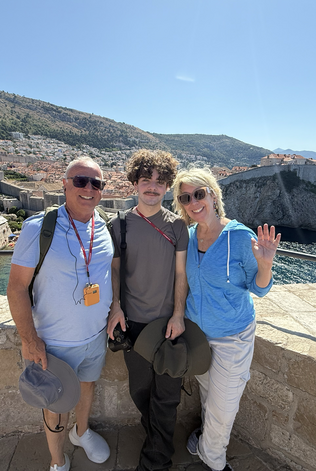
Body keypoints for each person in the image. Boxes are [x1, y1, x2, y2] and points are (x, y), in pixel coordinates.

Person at [7, 156, 113, 471]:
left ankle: (82, 433)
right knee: (54, 405)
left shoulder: (103, 225)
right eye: (80, 181)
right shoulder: (39, 228)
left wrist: (116, 306)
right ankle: (57, 460)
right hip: (52, 342)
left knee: (87, 387)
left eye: (96, 183)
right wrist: (29, 340)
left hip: (95, 336)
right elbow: (16, 288)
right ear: (65, 185)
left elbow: (110, 273)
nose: (88, 188)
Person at [172, 167, 280, 471]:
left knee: (224, 407)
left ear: (213, 195)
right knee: (209, 397)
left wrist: (265, 265)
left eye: (199, 194)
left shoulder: (239, 236)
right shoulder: (189, 237)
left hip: (233, 336)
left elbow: (259, 289)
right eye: (185, 197)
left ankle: (214, 460)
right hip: (197, 337)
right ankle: (204, 439)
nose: (194, 202)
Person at [106, 149, 189, 471]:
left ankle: (155, 462)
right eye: (146, 180)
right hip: (133, 324)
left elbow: (181, 274)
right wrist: (115, 307)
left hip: (168, 324)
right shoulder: (119, 225)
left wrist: (179, 314)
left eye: (159, 181)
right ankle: (158, 440)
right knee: (141, 392)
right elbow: (114, 271)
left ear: (167, 187)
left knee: (167, 396)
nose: (152, 187)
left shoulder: (177, 227)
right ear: (135, 183)